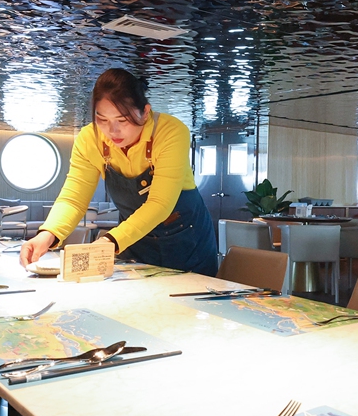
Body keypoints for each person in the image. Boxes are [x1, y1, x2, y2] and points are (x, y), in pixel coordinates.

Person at [19, 68, 218, 275]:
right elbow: (73, 199)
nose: (112, 131)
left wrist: (110, 240)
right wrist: (47, 234)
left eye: (122, 120)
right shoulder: (89, 139)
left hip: (187, 242)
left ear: (145, 112)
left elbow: (160, 204)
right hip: (133, 242)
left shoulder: (170, 132)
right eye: (102, 119)